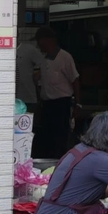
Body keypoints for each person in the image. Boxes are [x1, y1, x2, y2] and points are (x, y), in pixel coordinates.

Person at [36, 27, 80, 158]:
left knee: (59, 138)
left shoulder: (65, 57)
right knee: (46, 139)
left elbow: (75, 80)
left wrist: (78, 105)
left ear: (46, 40)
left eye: (39, 41)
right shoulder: (44, 60)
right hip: (46, 104)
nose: (38, 45)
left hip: (61, 104)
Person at [14, 29, 43, 111]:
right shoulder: (1, 51)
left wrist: (37, 76)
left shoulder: (29, 50)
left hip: (28, 97)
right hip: (7, 98)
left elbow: (44, 64)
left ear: (18, 34)